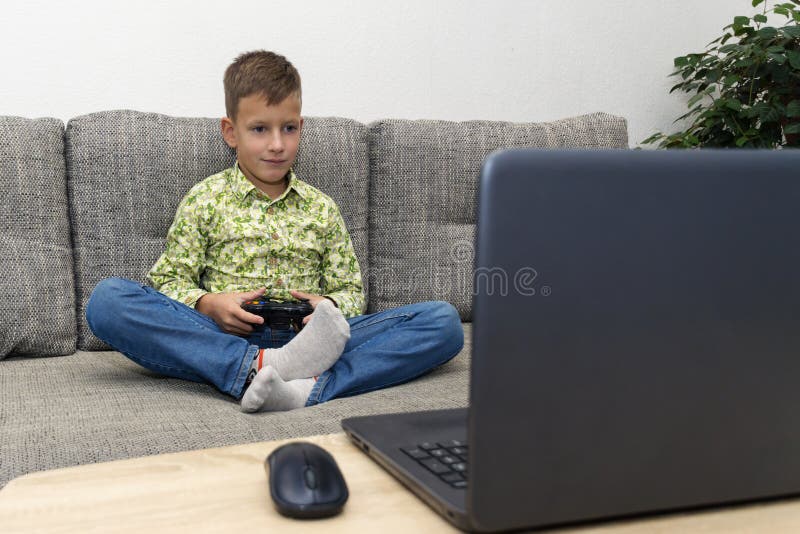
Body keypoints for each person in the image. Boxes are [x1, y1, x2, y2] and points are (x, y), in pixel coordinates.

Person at [86, 50, 463, 412]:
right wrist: (209, 304)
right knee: (108, 301)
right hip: (226, 335)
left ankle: (302, 387)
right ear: (230, 132)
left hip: (312, 338)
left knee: (443, 323)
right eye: (260, 129)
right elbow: (167, 280)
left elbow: (349, 291)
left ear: (302, 127)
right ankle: (255, 364)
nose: (277, 144)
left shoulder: (321, 208)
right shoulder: (205, 199)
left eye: (288, 128)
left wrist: (328, 308)